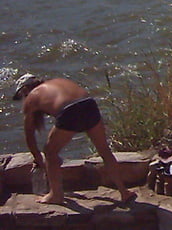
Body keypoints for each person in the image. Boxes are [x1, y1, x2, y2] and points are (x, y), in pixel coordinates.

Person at [12, 74, 137, 205]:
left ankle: (55, 195)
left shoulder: (32, 97)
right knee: (104, 150)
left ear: (25, 89)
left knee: (50, 152)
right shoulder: (57, 81)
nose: (23, 98)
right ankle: (124, 192)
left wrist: (38, 157)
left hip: (70, 110)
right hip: (89, 104)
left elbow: (29, 135)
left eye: (22, 95)